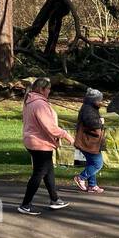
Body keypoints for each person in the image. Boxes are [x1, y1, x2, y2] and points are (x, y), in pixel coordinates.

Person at [18, 77, 73, 215]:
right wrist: (67, 136)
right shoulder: (39, 104)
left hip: (33, 141)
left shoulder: (29, 100)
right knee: (39, 173)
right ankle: (25, 205)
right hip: (39, 143)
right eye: (48, 89)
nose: (49, 91)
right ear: (42, 89)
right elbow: (50, 128)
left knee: (48, 171)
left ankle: (55, 199)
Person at [73, 88, 107, 193]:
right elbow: (92, 123)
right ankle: (81, 177)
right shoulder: (88, 109)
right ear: (94, 100)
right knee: (97, 163)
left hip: (90, 142)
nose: (101, 102)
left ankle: (92, 185)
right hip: (88, 142)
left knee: (91, 163)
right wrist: (100, 121)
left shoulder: (90, 107)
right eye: (99, 100)